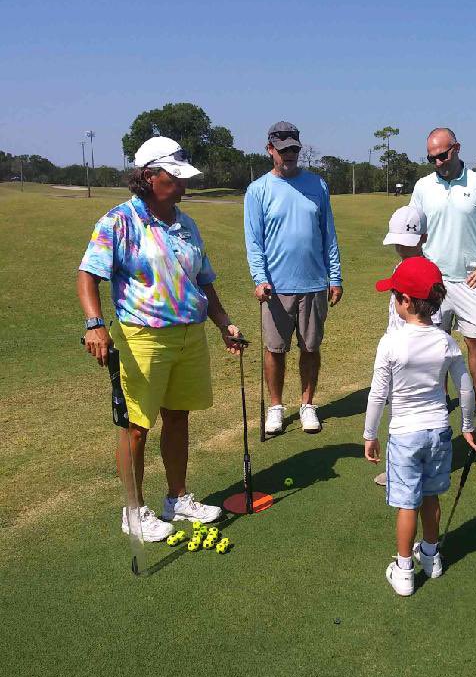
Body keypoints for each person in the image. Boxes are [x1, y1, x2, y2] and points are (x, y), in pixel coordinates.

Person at [77, 136, 242, 541]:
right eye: (176, 177)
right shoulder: (118, 221)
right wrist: (94, 324)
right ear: (149, 177)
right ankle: (133, 511)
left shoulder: (187, 224)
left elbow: (203, 280)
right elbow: (88, 275)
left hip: (190, 335)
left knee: (178, 416)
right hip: (141, 337)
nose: (184, 185)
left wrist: (223, 322)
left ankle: (177, 498)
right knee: (136, 425)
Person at [363, 257, 476, 597]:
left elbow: (378, 394)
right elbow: (464, 387)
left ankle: (404, 570)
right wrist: (467, 426)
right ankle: (430, 557)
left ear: (405, 301)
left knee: (407, 503)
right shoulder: (445, 341)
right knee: (430, 496)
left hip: (404, 435)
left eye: (394, 295)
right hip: (438, 432)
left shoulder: (390, 343)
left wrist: (370, 435)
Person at [244, 121, 343, 435]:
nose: (289, 155)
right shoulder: (258, 190)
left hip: (314, 282)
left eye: (294, 150)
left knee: (310, 348)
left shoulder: (318, 185)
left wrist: (335, 276)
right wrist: (259, 278)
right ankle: (276, 406)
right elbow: (254, 241)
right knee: (274, 350)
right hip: (275, 288)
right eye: (283, 150)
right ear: (270, 149)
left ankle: (308, 404)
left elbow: (329, 235)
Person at [411, 128, 476, 430]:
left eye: (442, 155)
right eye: (432, 158)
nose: (437, 162)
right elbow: (412, 227)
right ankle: (438, 401)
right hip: (433, 282)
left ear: (456, 148)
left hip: (470, 281)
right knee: (434, 344)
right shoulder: (423, 186)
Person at [373, 204, 441, 487]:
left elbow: (430, 319)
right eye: (399, 242)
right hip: (397, 350)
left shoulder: (428, 272)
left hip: (413, 354)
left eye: (407, 242)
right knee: (397, 409)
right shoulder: (399, 266)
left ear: (423, 238)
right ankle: (403, 463)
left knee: (410, 411)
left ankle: (409, 466)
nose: (402, 248)